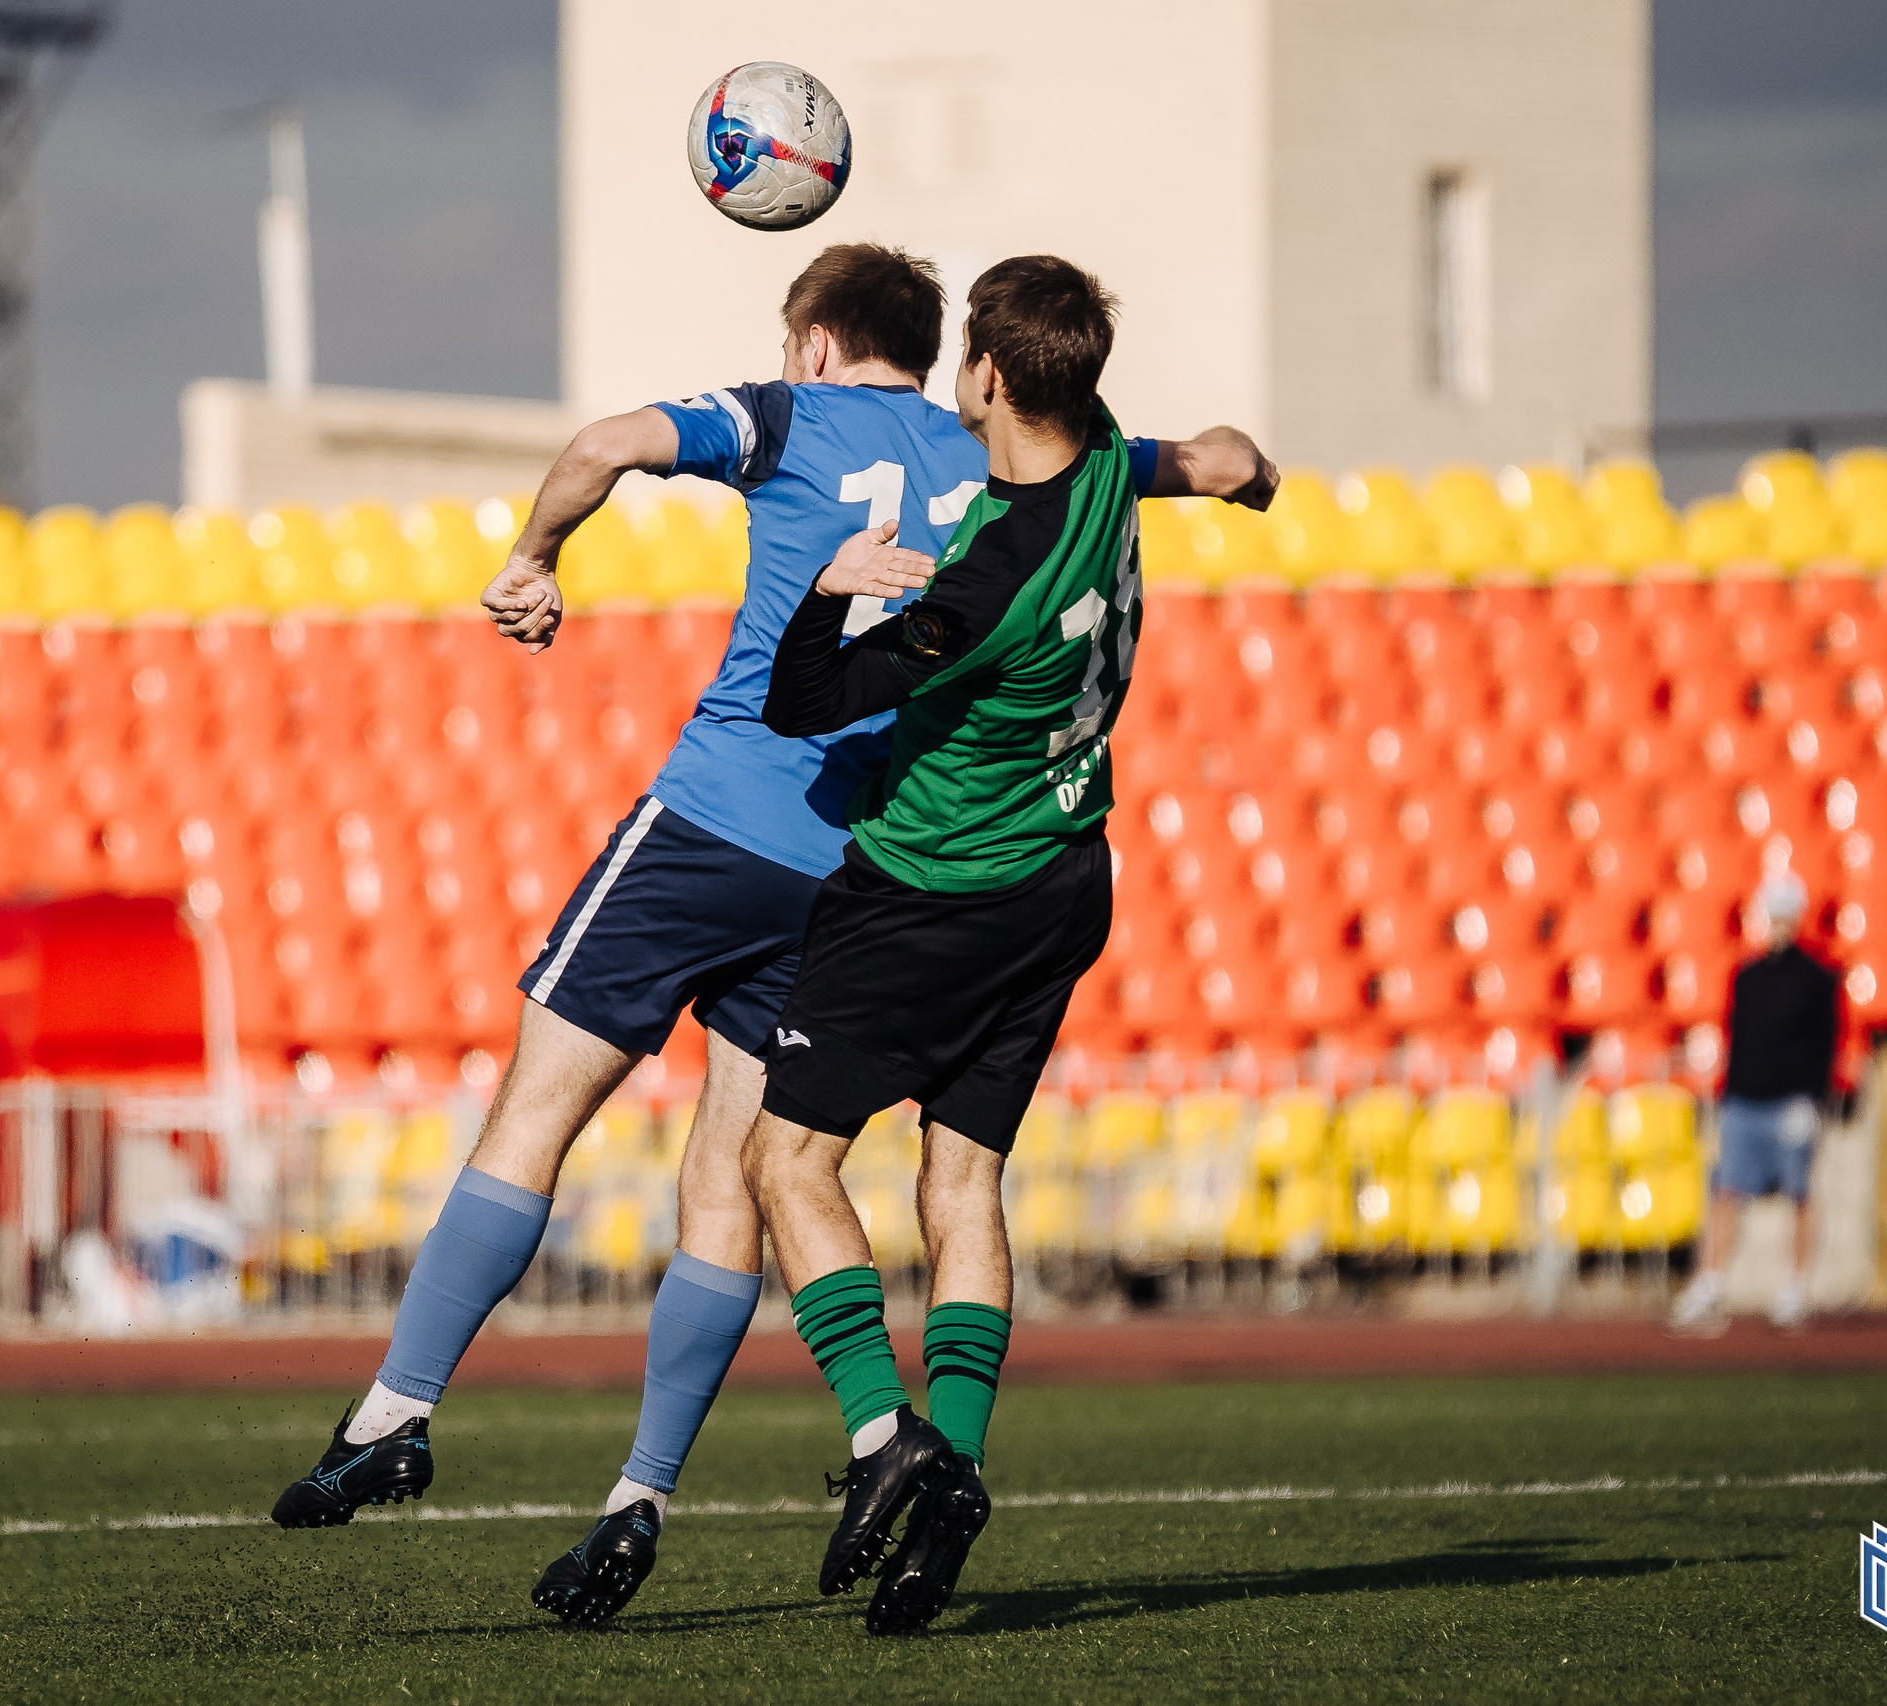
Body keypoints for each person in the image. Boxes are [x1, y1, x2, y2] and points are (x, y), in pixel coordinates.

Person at [268, 243, 1274, 1626]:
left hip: (717, 819)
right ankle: (640, 1496)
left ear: (814, 340)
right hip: (853, 864)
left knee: (537, 1110)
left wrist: (534, 558)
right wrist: (1243, 471)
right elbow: (1208, 461)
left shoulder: (787, 414)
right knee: (732, 1179)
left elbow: (605, 444)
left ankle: (395, 1409)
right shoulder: (1044, 446)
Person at [744, 255, 1207, 1635]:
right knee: (962, 1179)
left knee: (786, 1160)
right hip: (1064, 880)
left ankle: (887, 1436)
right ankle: (954, 1478)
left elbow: (803, 700)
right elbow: (1219, 455)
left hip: (933, 889)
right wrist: (1242, 473)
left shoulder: (987, 582)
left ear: (990, 376)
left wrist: (827, 587)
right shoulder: (1108, 461)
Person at [1671, 871, 1841, 1332]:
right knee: (1726, 1193)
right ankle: (1710, 1284)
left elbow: (1825, 1044)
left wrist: (1811, 1100)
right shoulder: (1746, 977)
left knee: (1799, 1194)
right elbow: (1739, 1040)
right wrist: (1729, 1095)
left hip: (1790, 1104)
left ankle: (1796, 1286)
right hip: (1745, 1101)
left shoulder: (1816, 979)